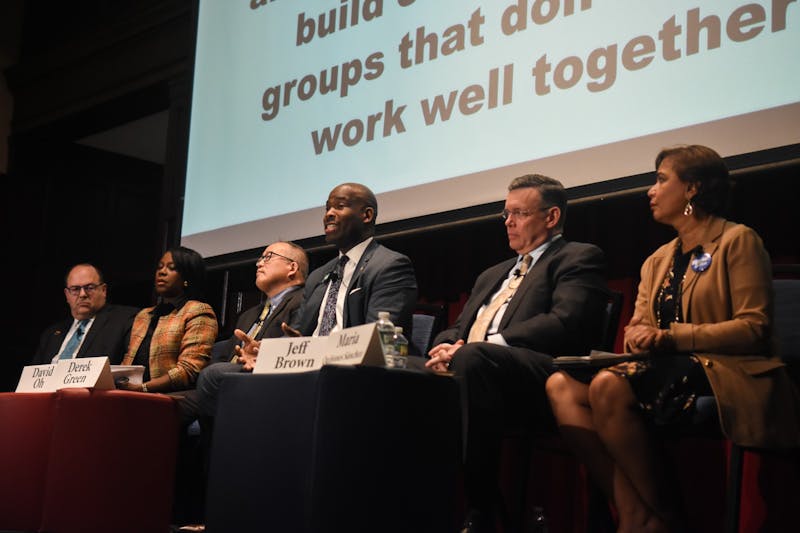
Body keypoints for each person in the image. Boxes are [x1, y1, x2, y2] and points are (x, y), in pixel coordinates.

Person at [545, 145, 800, 532]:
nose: (651, 190)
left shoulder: (737, 241)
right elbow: (637, 326)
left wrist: (670, 338)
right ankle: (638, 511)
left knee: (609, 388)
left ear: (693, 189)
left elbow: (755, 327)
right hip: (665, 368)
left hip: (729, 371)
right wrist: (639, 337)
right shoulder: (657, 260)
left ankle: (660, 517)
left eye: (662, 179)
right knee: (560, 385)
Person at [425, 174, 608, 532]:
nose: (508, 222)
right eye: (505, 214)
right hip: (475, 366)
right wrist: (446, 344)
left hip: (542, 376)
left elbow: (565, 322)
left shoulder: (576, 257)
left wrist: (488, 345)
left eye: (519, 214)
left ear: (551, 217)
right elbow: (459, 326)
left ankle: (479, 510)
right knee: (410, 372)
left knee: (474, 358)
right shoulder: (492, 273)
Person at [235, 182, 417, 354]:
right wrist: (264, 353)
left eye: (339, 206)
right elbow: (297, 334)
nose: (329, 214)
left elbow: (381, 337)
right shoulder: (318, 276)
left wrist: (321, 352)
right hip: (309, 365)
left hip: (354, 367)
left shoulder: (388, 265)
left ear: (366, 215)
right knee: (223, 373)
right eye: (327, 208)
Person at [175, 240, 308, 424]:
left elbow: (298, 346)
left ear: (292, 267)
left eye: (268, 257)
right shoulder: (248, 315)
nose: (259, 263)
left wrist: (262, 354)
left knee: (209, 378)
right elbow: (227, 357)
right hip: (227, 380)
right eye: (260, 259)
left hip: (266, 382)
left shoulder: (304, 301)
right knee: (160, 404)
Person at [118, 246, 218, 393]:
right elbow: (128, 361)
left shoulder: (198, 311)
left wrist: (143, 388)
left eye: (172, 268)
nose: (162, 272)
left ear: (186, 277)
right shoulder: (144, 315)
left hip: (172, 396)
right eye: (160, 267)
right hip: (133, 393)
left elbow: (188, 370)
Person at [33, 263, 139, 365]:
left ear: (103, 290)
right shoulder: (51, 334)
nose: (82, 294)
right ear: (67, 295)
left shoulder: (125, 320)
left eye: (89, 287)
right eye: (75, 289)